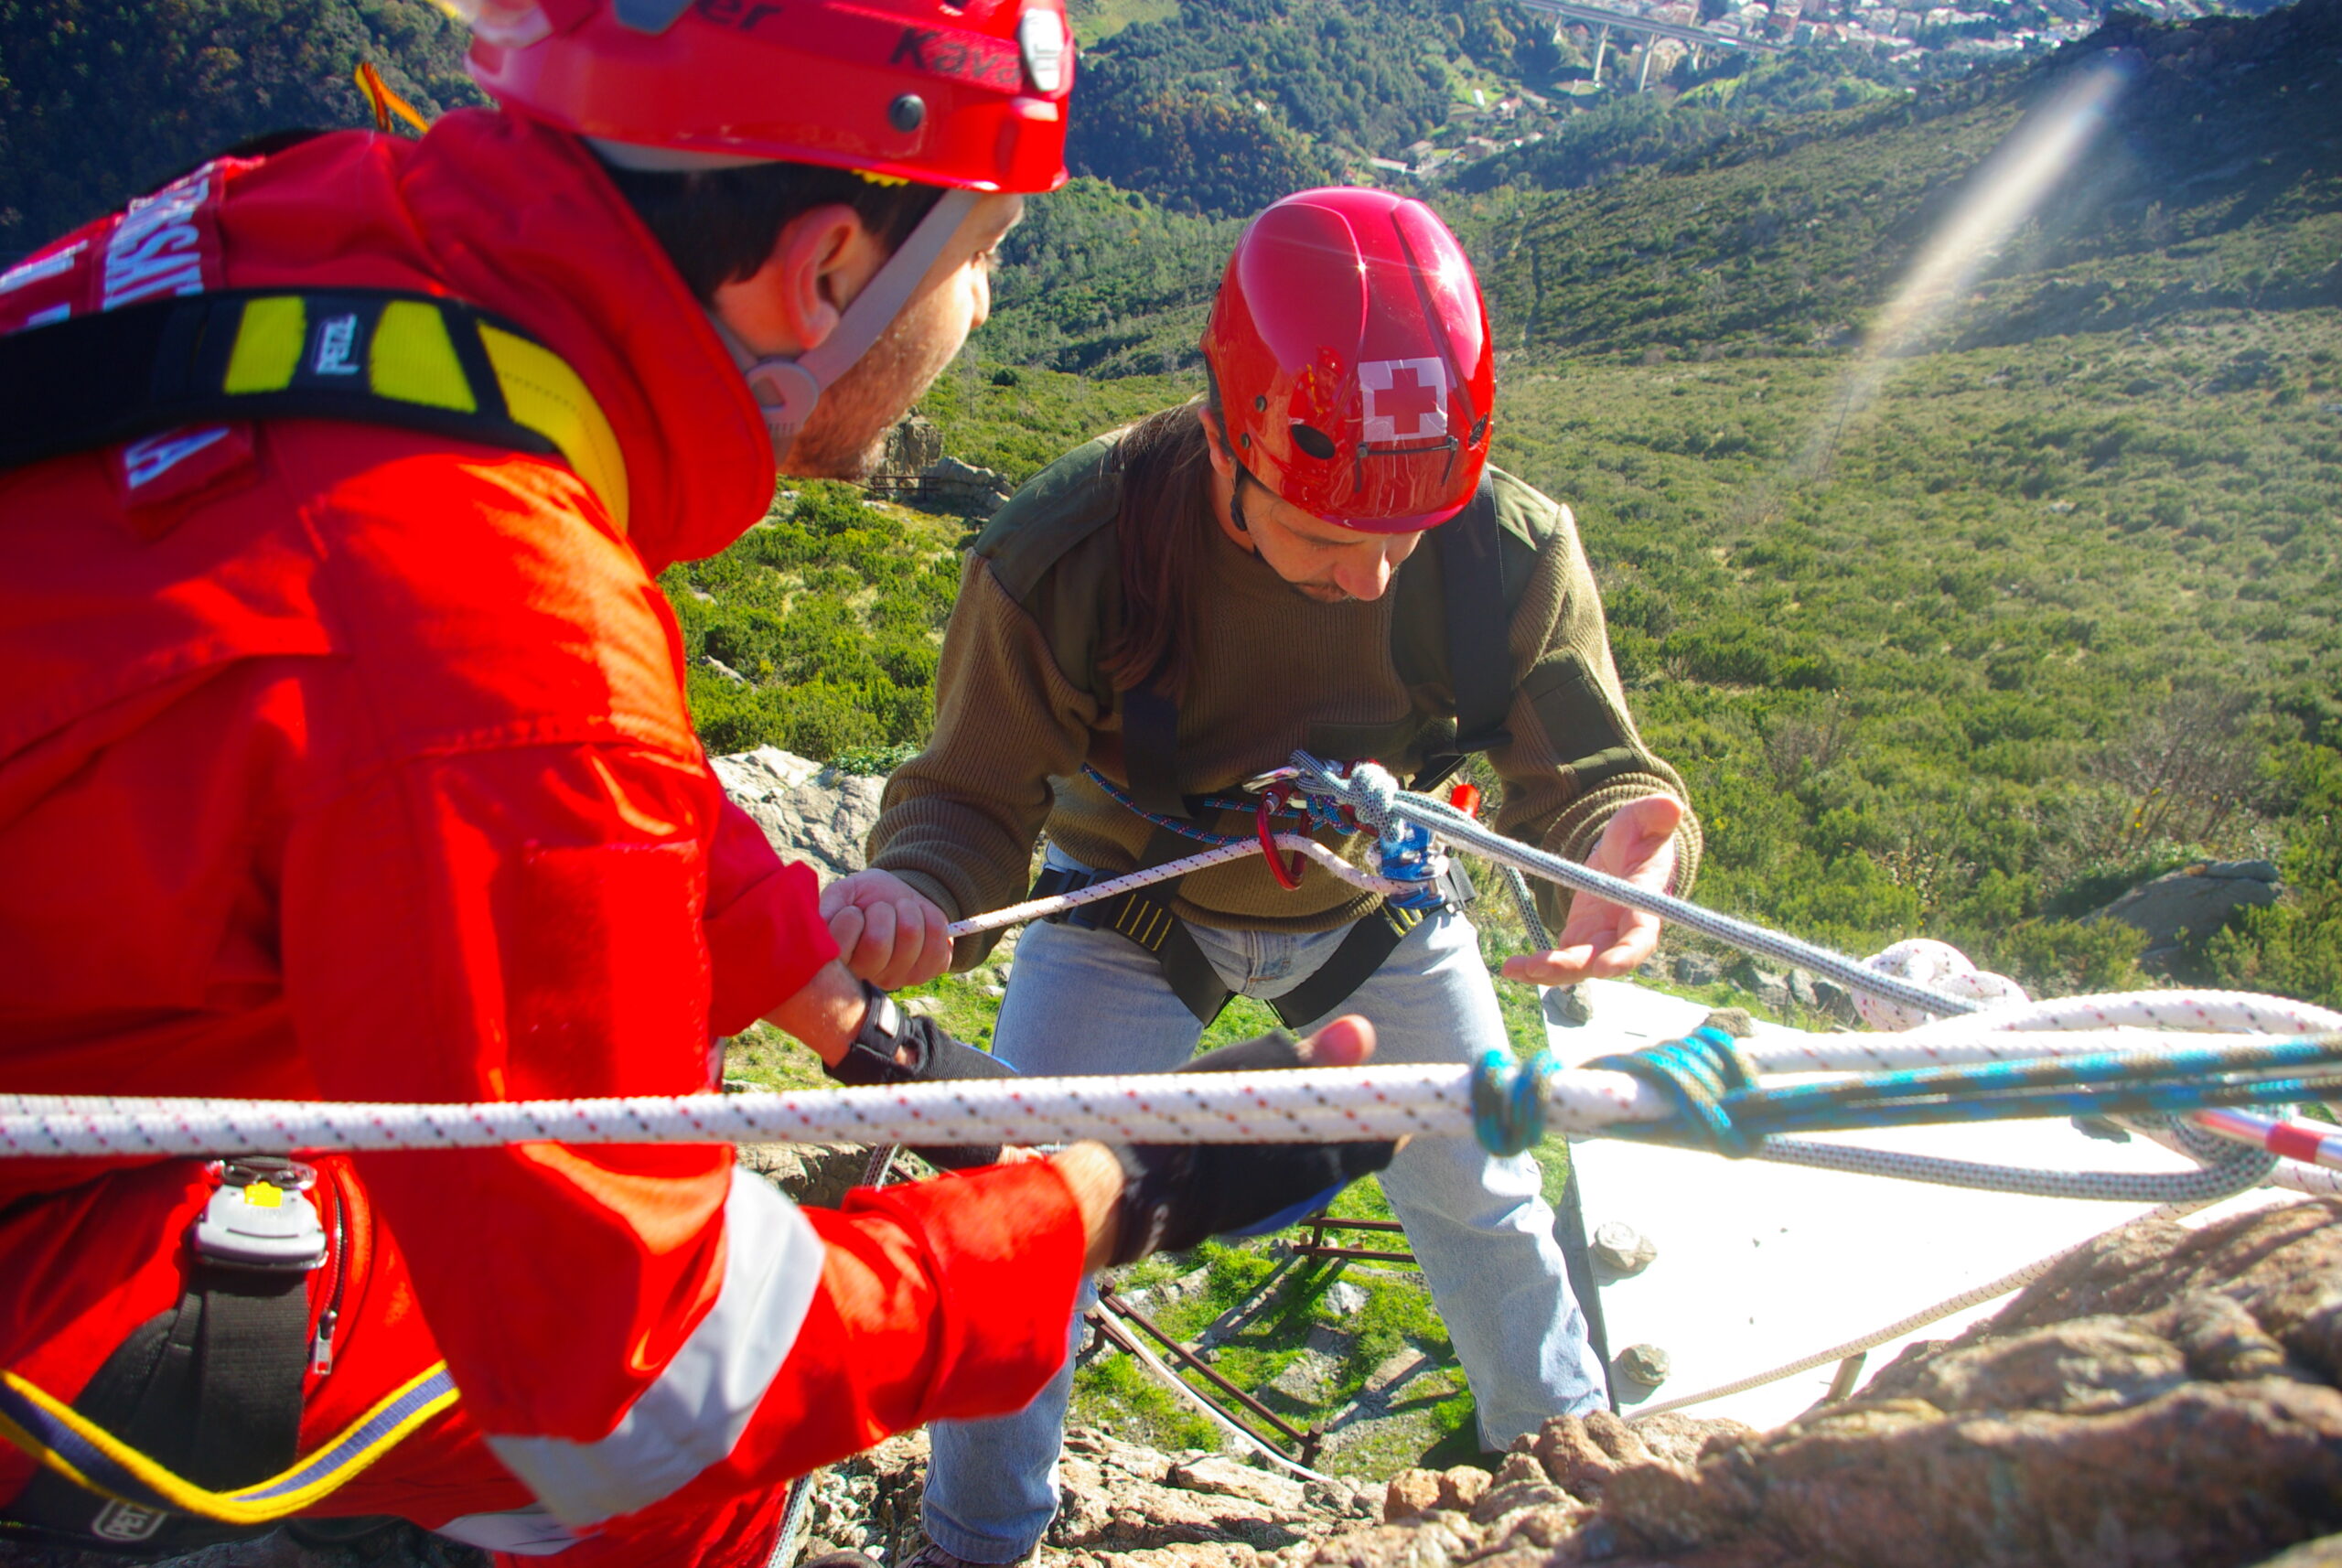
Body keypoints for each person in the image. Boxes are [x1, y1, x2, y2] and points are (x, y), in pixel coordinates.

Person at [0, 5, 1391, 1565]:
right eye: (982, 250)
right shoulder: (493, 614)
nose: (983, 300)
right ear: (826, 279)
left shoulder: (325, 225)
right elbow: (655, 1388)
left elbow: (517, 772)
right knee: (698, 1461)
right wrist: (1111, 1192)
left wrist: (847, 1018)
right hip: (43, 1242)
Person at [839, 187, 1704, 1568]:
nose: (1370, 579)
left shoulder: (1496, 550)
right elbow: (964, 796)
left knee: (1480, 1192)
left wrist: (1628, 846)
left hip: (1376, 912)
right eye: (1323, 535)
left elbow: (1591, 775)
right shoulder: (1078, 550)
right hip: (1130, 912)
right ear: (1234, 437)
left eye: (1398, 538)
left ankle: (1576, 1499)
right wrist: (918, 900)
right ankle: (972, 1545)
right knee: (1032, 1230)